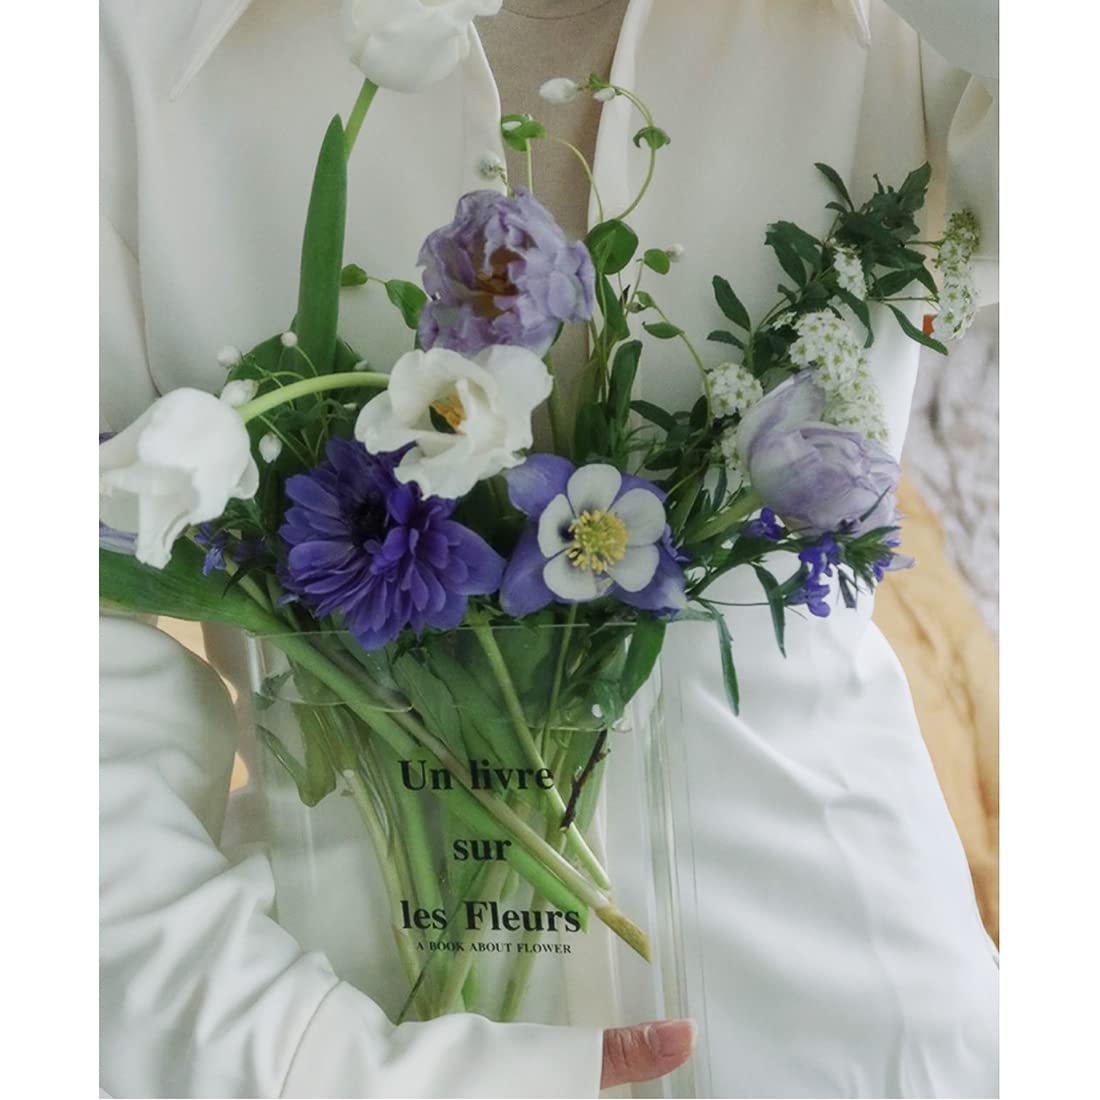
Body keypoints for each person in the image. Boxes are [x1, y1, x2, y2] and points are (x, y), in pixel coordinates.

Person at [100, 1, 998, 1095]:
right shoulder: (116, 50)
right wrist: (317, 1063)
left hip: (854, 1034)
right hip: (336, 1027)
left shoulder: (904, 41)